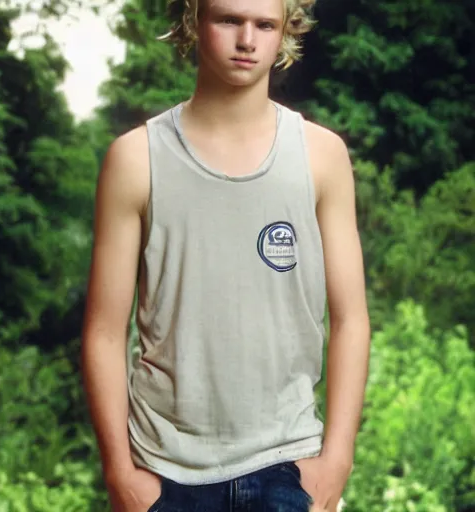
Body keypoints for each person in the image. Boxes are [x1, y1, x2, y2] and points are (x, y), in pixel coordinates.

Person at [81, 0, 371, 510]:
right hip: (163, 470)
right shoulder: (135, 159)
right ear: (195, 20)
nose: (247, 41)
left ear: (285, 32)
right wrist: (120, 475)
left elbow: (351, 320)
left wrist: (337, 462)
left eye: (265, 25)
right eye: (229, 20)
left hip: (288, 465)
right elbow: (105, 331)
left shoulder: (321, 156)